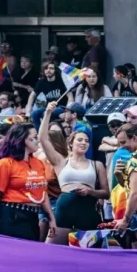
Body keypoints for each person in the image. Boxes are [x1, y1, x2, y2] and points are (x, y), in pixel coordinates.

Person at [0, 123, 54, 241]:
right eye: (34, 137)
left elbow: (43, 194)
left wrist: (52, 220)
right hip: (11, 216)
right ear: (22, 140)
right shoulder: (5, 163)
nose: (38, 141)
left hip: (33, 217)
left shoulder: (38, 163)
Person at [39, 102, 109, 245]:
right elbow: (43, 139)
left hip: (88, 209)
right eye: (80, 140)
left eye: (87, 141)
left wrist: (90, 191)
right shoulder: (60, 162)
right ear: (71, 143)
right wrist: (47, 113)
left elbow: (106, 193)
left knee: (88, 251)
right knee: (51, 248)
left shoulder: (97, 164)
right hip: (65, 208)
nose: (84, 143)